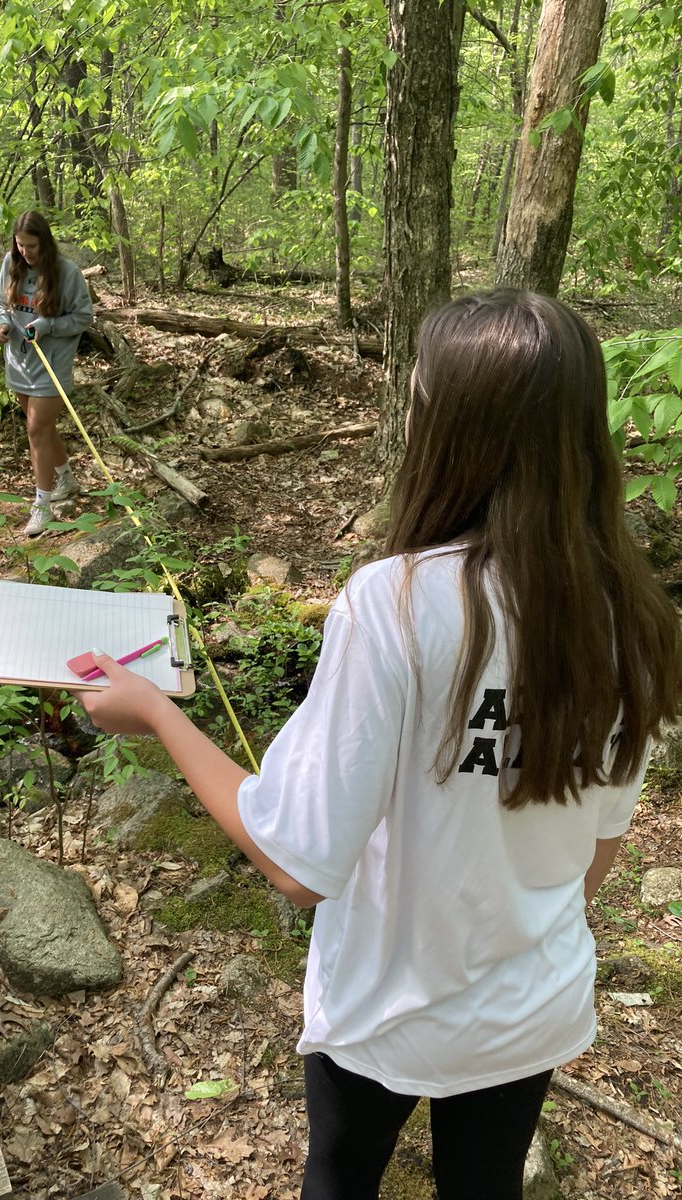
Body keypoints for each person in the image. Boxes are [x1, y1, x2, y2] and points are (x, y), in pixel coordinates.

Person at [77, 289, 681, 1199]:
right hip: (532, 1006)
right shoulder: (634, 618)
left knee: (341, 1176)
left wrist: (160, 715)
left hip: (384, 1012)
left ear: (451, 430)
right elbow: (598, 849)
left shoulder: (393, 604)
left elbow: (296, 863)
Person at [0, 211, 93, 536]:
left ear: (44, 243)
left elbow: (84, 317)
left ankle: (42, 506)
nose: (26, 252)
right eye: (20, 245)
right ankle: (66, 479)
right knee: (44, 430)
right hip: (19, 362)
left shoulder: (67, 272)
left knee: (35, 430)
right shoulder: (11, 263)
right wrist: (1, 324)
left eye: (32, 246)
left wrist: (48, 326)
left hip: (52, 364)